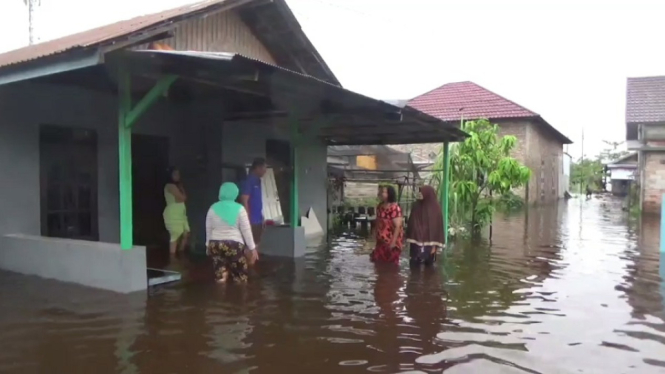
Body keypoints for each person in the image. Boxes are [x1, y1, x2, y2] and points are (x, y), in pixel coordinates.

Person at [205, 182, 258, 283]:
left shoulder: (212, 208)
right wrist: (252, 248)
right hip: (234, 245)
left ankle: (218, 296)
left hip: (215, 244)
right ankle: (239, 297)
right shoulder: (240, 209)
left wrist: (208, 245)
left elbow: (208, 228)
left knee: (220, 276)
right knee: (240, 277)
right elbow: (246, 230)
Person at [405, 185, 445, 267]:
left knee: (429, 268)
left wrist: (435, 247)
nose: (420, 193)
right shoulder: (416, 205)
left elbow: (437, 228)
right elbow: (412, 222)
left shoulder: (436, 208)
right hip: (416, 242)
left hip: (430, 245)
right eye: (420, 191)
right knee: (414, 265)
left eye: (421, 192)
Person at [240, 158, 267, 263]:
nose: (265, 171)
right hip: (251, 219)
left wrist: (262, 217)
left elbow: (257, 201)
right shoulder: (249, 181)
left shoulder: (258, 181)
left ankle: (249, 268)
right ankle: (247, 270)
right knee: (250, 247)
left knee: (255, 245)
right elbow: (244, 199)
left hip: (257, 218)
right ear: (257, 168)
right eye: (264, 169)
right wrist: (247, 217)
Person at [370, 185, 404, 265]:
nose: (381, 194)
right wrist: (374, 233)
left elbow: (397, 227)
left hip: (391, 241)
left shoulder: (395, 208)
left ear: (390, 194)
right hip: (381, 240)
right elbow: (378, 221)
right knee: (378, 263)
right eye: (381, 192)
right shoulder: (379, 207)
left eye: (384, 192)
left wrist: (393, 242)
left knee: (392, 265)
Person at [163, 167, 189, 255]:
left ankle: (180, 253)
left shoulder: (177, 186)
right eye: (175, 174)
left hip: (180, 212)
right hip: (173, 212)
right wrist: (181, 190)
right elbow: (181, 198)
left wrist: (181, 188)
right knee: (176, 234)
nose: (178, 176)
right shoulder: (170, 186)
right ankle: (172, 256)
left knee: (186, 232)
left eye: (178, 174)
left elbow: (184, 198)